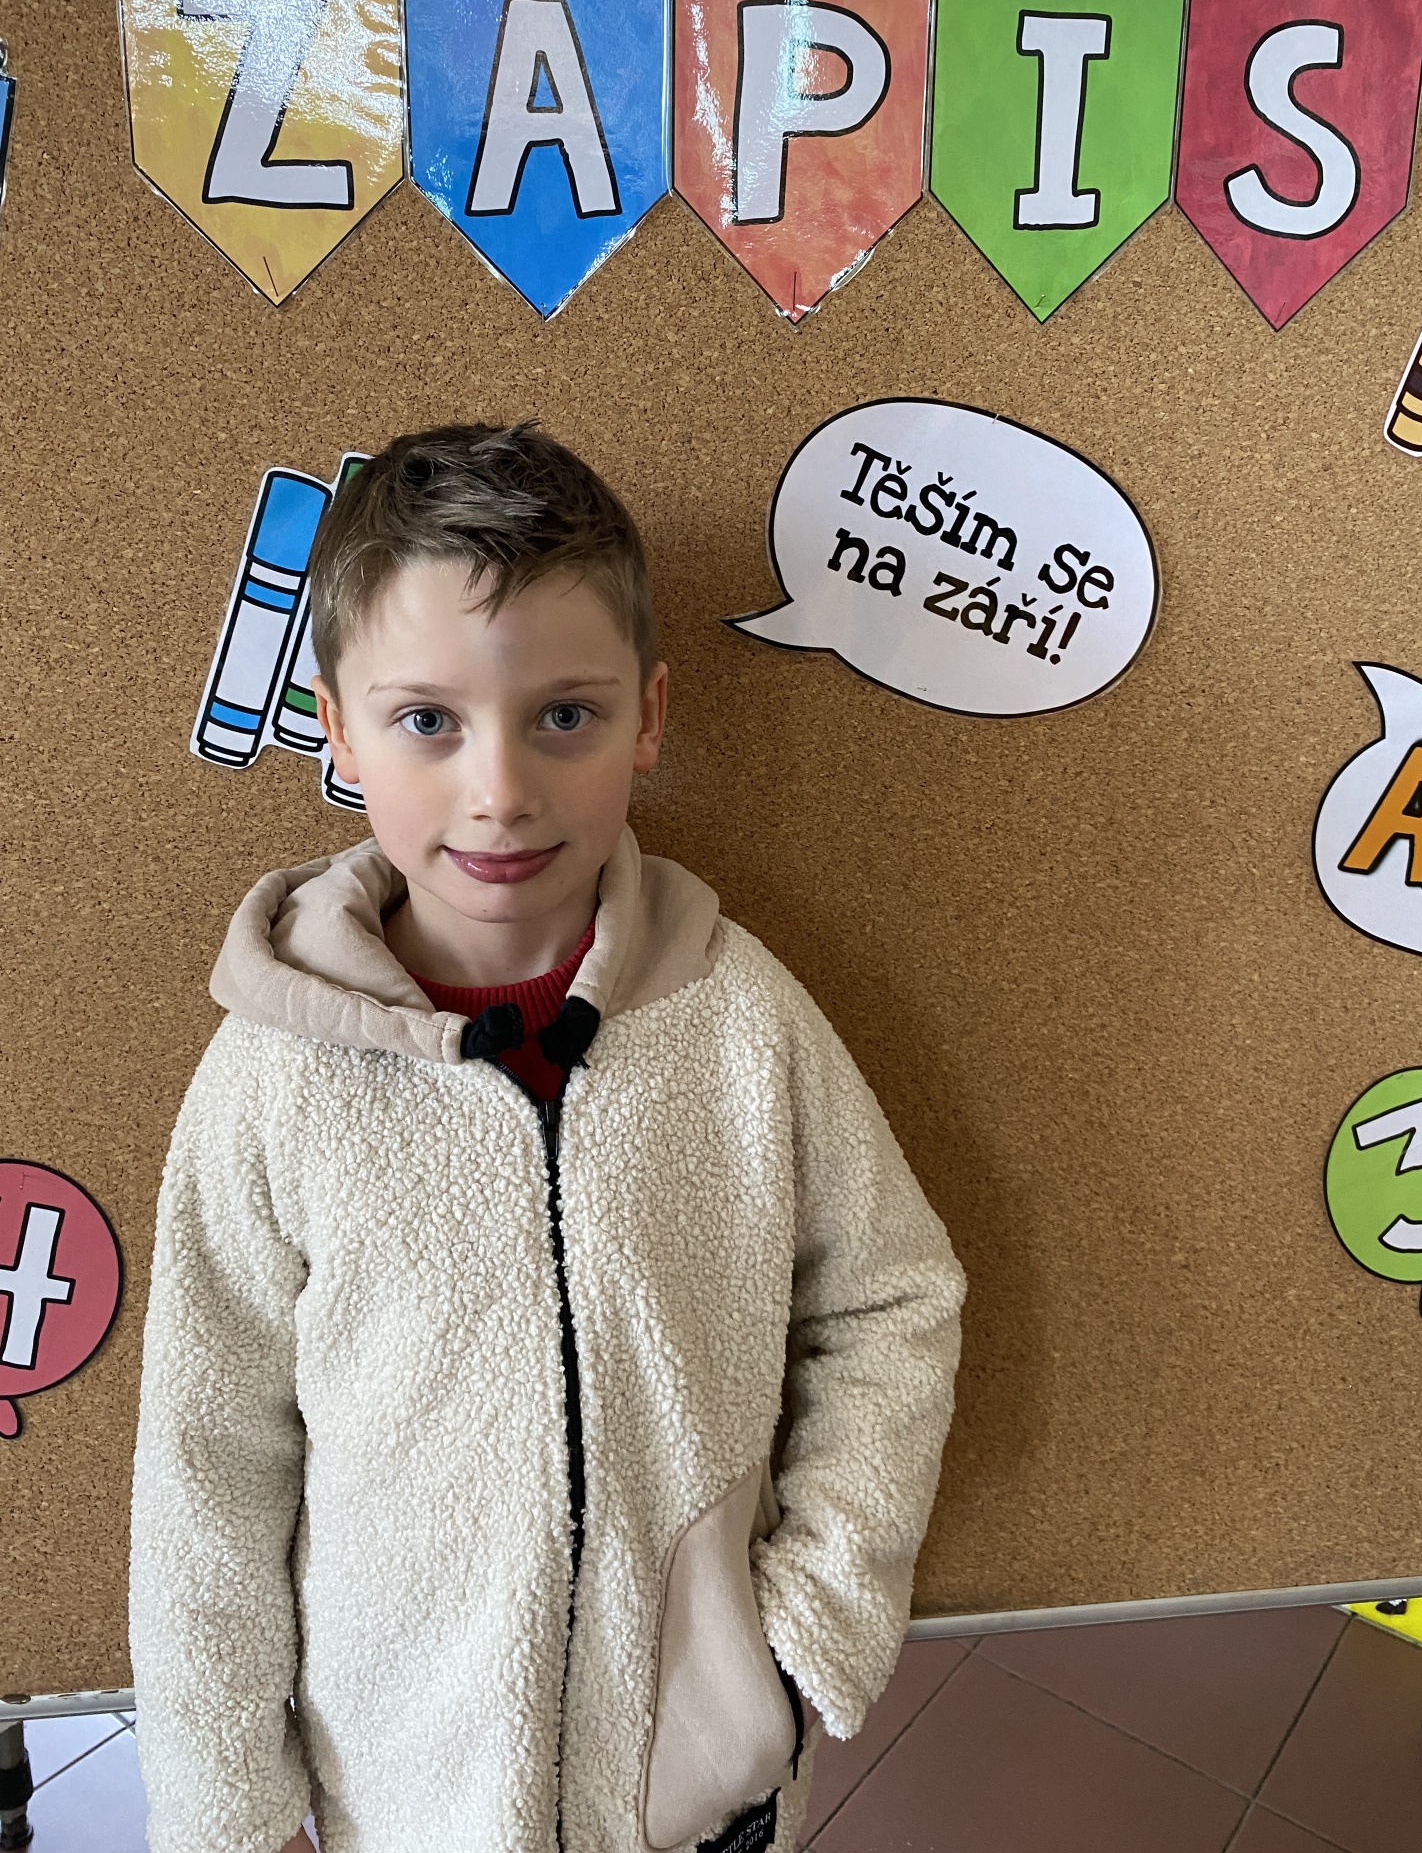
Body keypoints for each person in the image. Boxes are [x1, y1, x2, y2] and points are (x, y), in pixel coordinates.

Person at [129, 422, 966, 1853]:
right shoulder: (274, 1075)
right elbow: (206, 1466)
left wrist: (799, 1645)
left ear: (649, 718)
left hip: (697, 1788)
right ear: (336, 728)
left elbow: (894, 1301)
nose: (501, 789)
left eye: (563, 716)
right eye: (427, 721)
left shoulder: (738, 1015)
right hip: (403, 1793)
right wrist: (230, 1815)